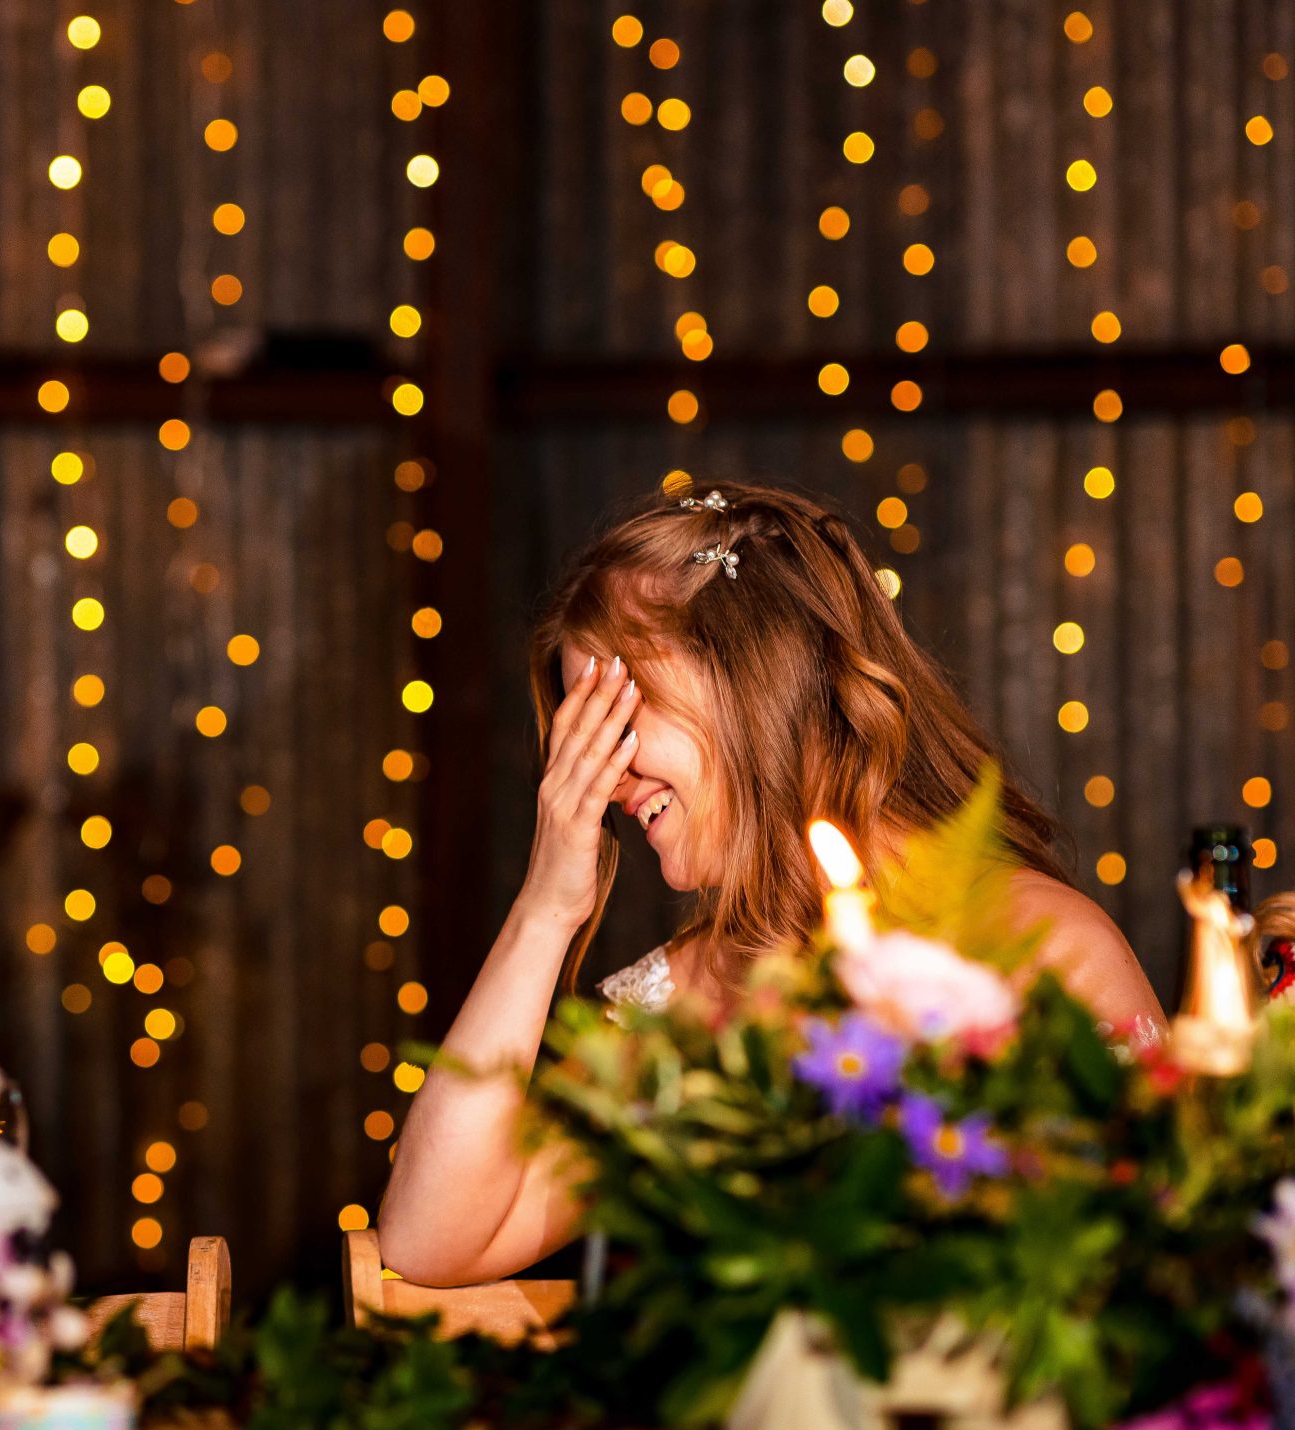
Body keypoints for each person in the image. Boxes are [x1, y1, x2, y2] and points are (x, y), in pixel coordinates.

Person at [378, 480, 1159, 1288]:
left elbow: (1153, 1276)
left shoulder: (1043, 949)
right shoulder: (682, 1001)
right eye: (583, 735)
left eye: (616, 715)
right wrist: (544, 910)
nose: (603, 780)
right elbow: (429, 1242)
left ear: (753, 675)